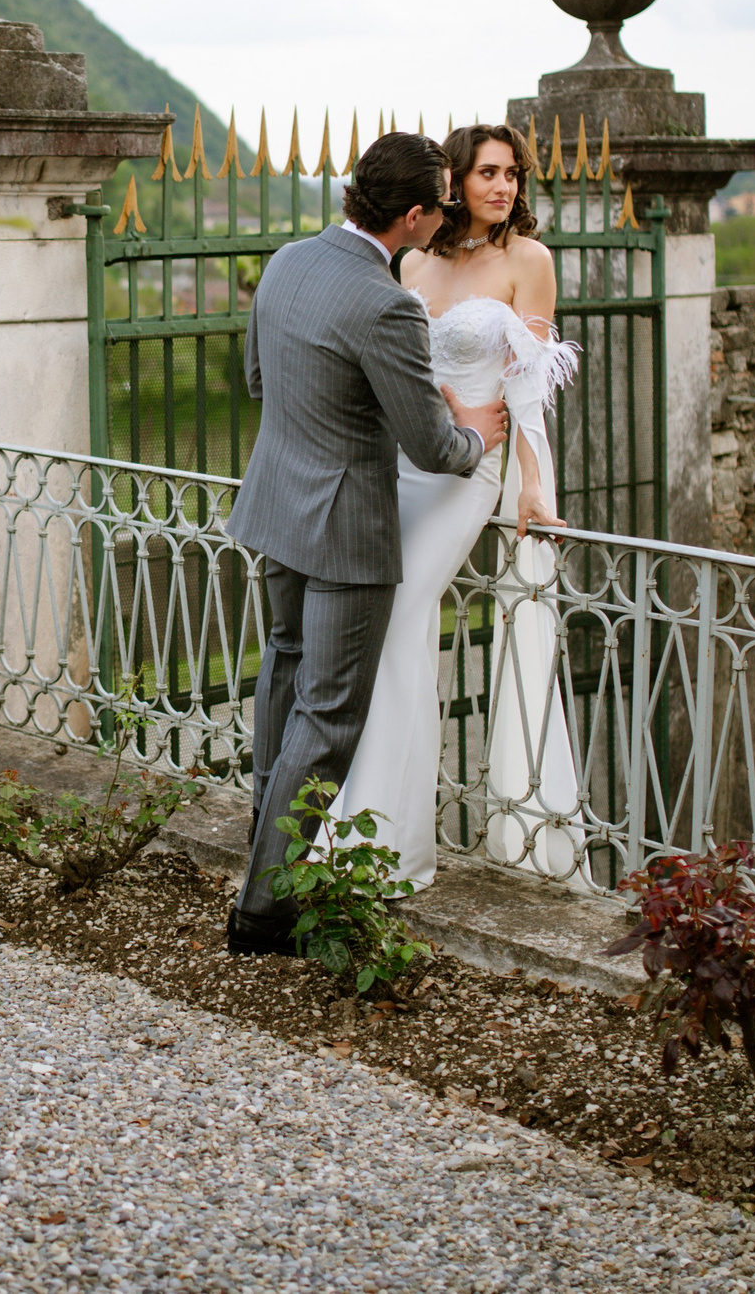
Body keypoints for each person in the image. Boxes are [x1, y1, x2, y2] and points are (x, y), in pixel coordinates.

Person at [223, 131, 507, 955]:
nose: (446, 214)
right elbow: (431, 449)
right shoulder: (386, 302)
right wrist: (477, 435)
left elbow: (256, 382)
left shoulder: (285, 261)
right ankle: (263, 912)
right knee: (331, 713)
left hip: (276, 502)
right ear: (413, 216)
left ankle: (261, 848)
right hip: (346, 530)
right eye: (443, 202)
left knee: (282, 668)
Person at [334, 123, 585, 890]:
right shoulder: (414, 259)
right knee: (381, 612)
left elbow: (530, 386)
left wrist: (534, 485)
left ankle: (385, 843)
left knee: (406, 606)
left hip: (473, 470)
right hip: (405, 462)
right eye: (486, 173)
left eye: (511, 174)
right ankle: (360, 823)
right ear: (453, 183)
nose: (502, 186)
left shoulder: (529, 261)